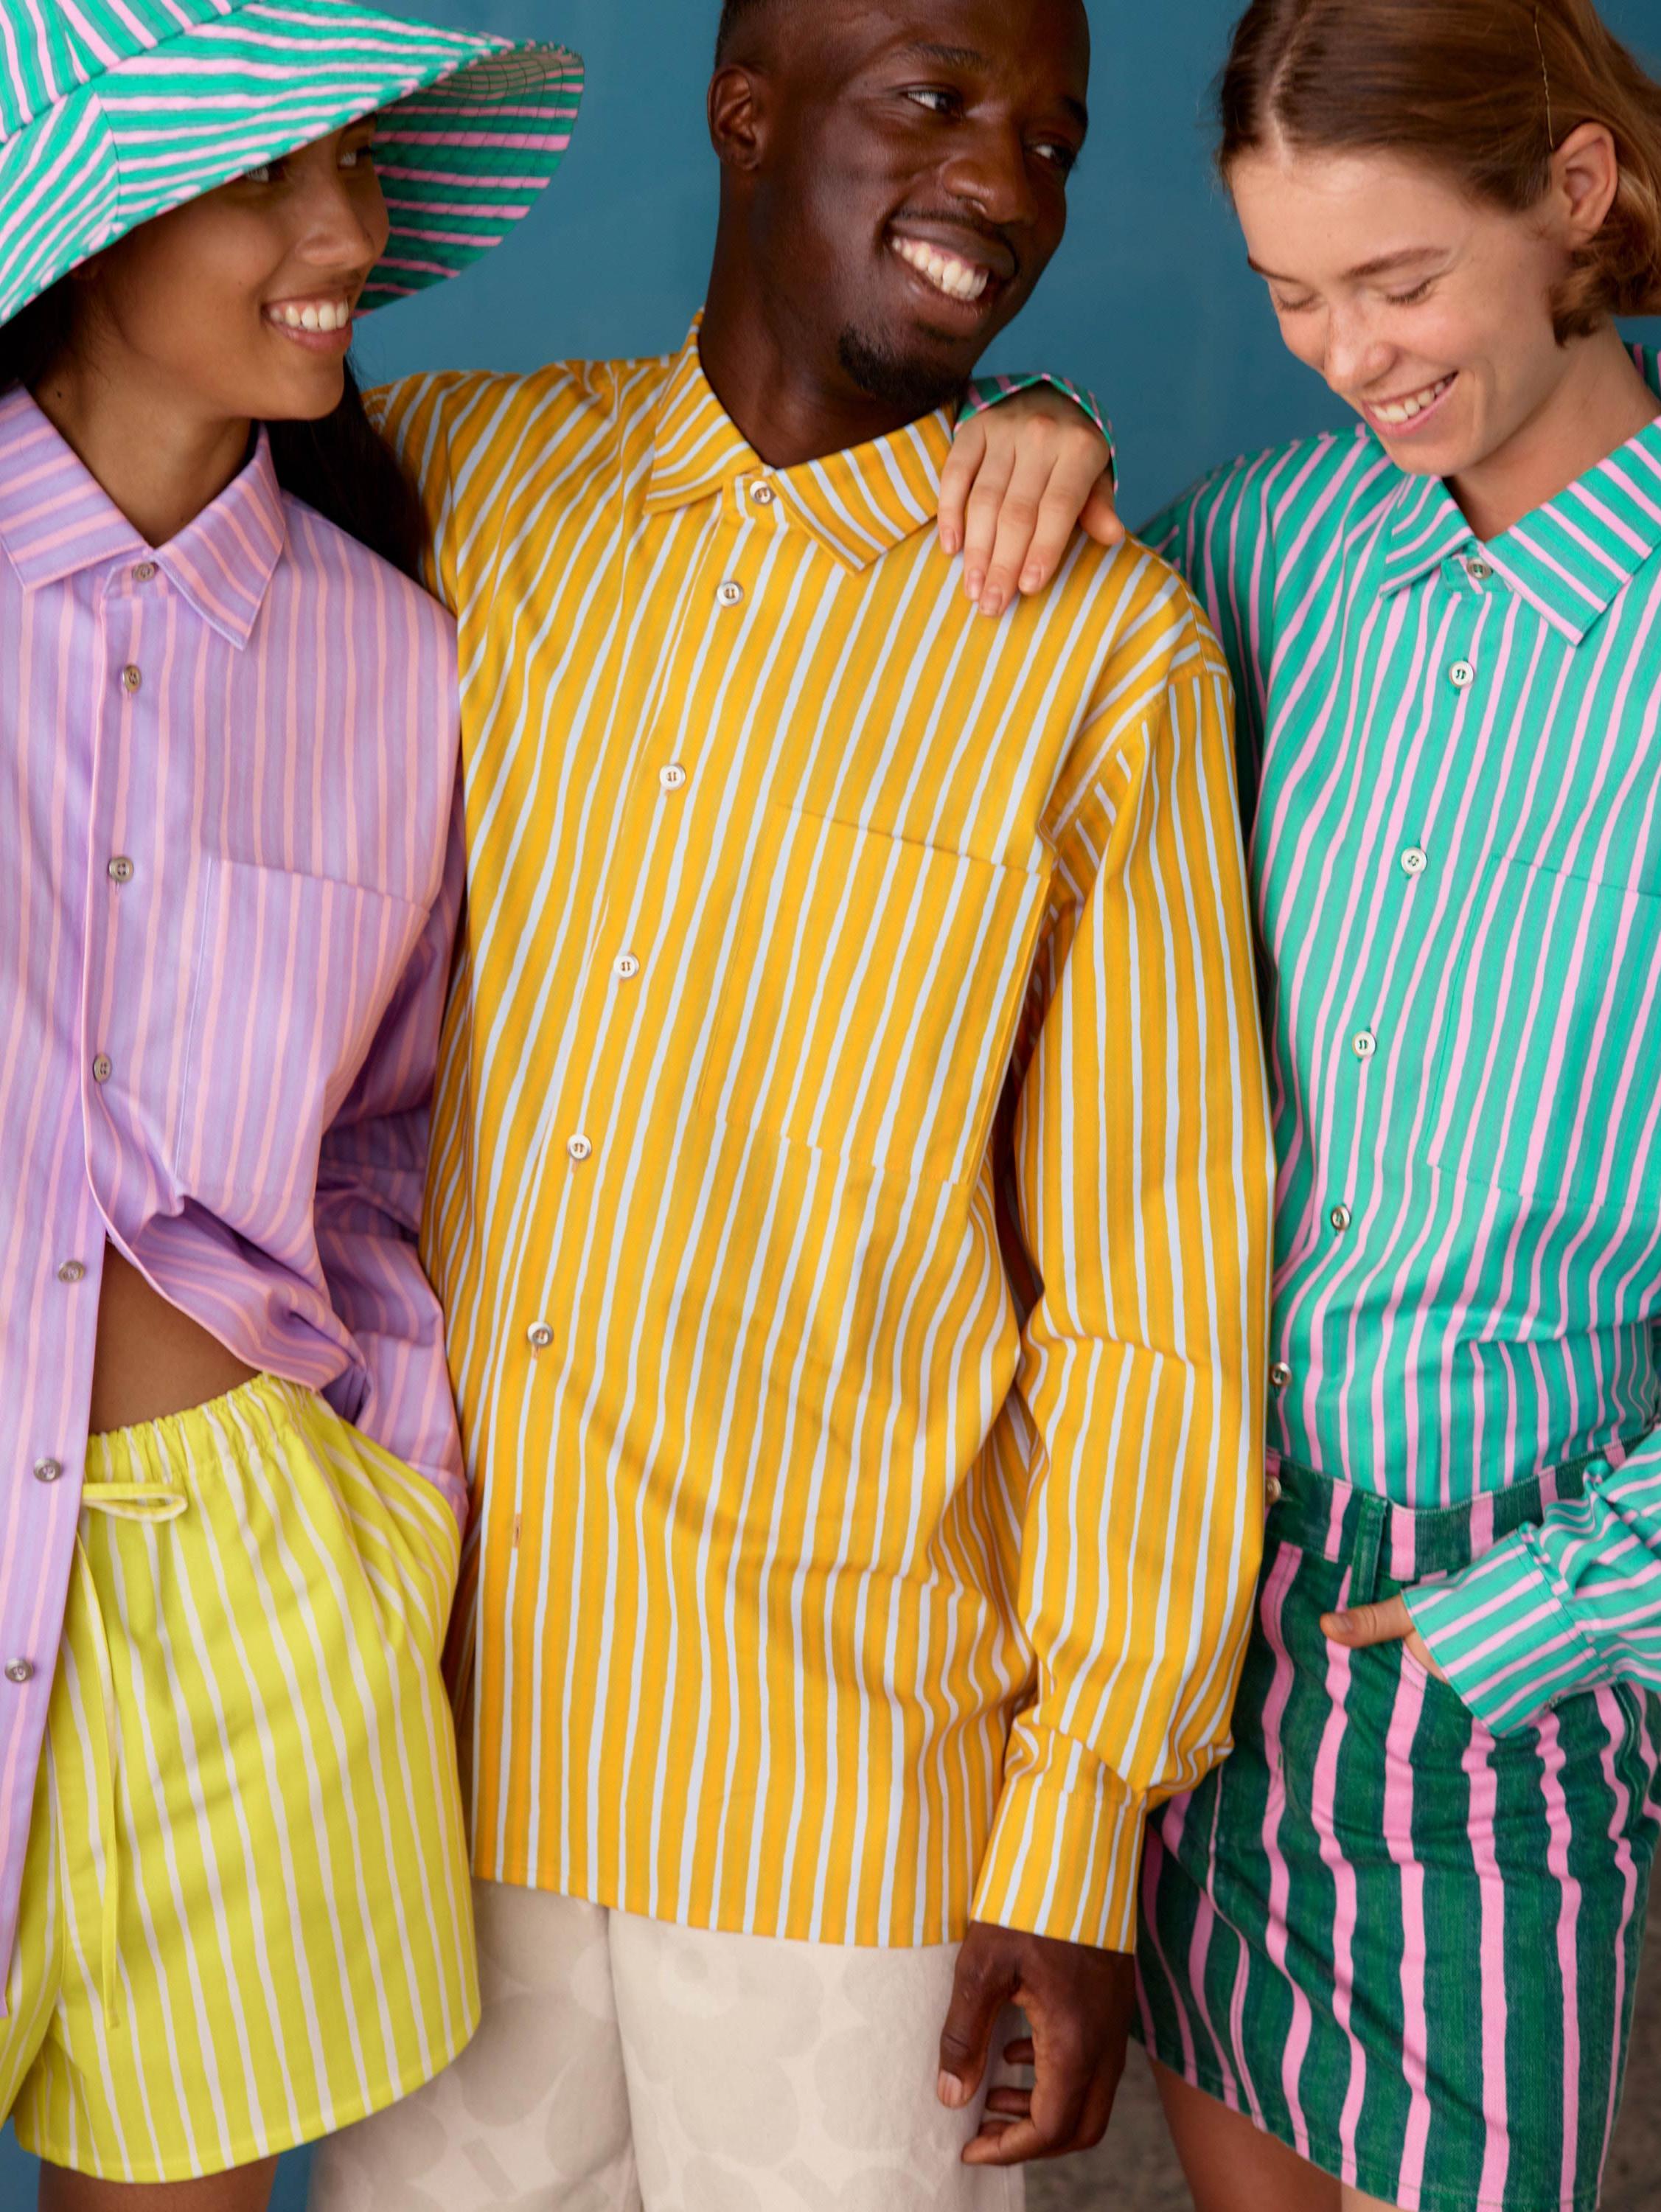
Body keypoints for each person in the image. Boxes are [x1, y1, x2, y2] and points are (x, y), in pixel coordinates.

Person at [307, 0, 1274, 2203]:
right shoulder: (457, 469)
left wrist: (1083, 1835)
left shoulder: (1103, 647)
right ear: (747, 115)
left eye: (1051, 138)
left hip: (841, 1797)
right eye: (937, 105)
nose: (1006, 185)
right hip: (428, 1747)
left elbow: (1157, 1290)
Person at [944, 1, 1661, 2206]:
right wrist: (1037, 419)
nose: (1351, 354)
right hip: (1165, 1594)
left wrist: (1531, 1616)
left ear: (1572, 197)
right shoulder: (1275, 542)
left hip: (1487, 1632)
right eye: (1290, 293)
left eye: (1401, 281)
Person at [0, 5, 585, 2205]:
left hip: (243, 1589)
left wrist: (382, 1509)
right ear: (83, 232)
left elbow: (379, 1139)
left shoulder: (397, 650)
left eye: (357, 165)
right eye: (271, 175)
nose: (352, 227)